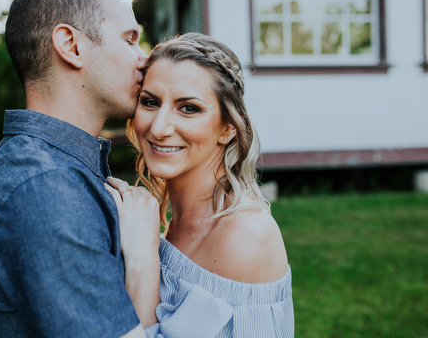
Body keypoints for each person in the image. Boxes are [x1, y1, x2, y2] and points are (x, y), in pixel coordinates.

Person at [0, 0, 157, 338]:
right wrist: (143, 258)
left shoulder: (56, 168)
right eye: (130, 40)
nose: (145, 60)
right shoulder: (47, 189)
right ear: (71, 45)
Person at [107, 33, 294, 337]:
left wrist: (142, 259)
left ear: (229, 127)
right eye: (150, 102)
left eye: (188, 108)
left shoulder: (243, 238)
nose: (159, 127)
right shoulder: (170, 217)